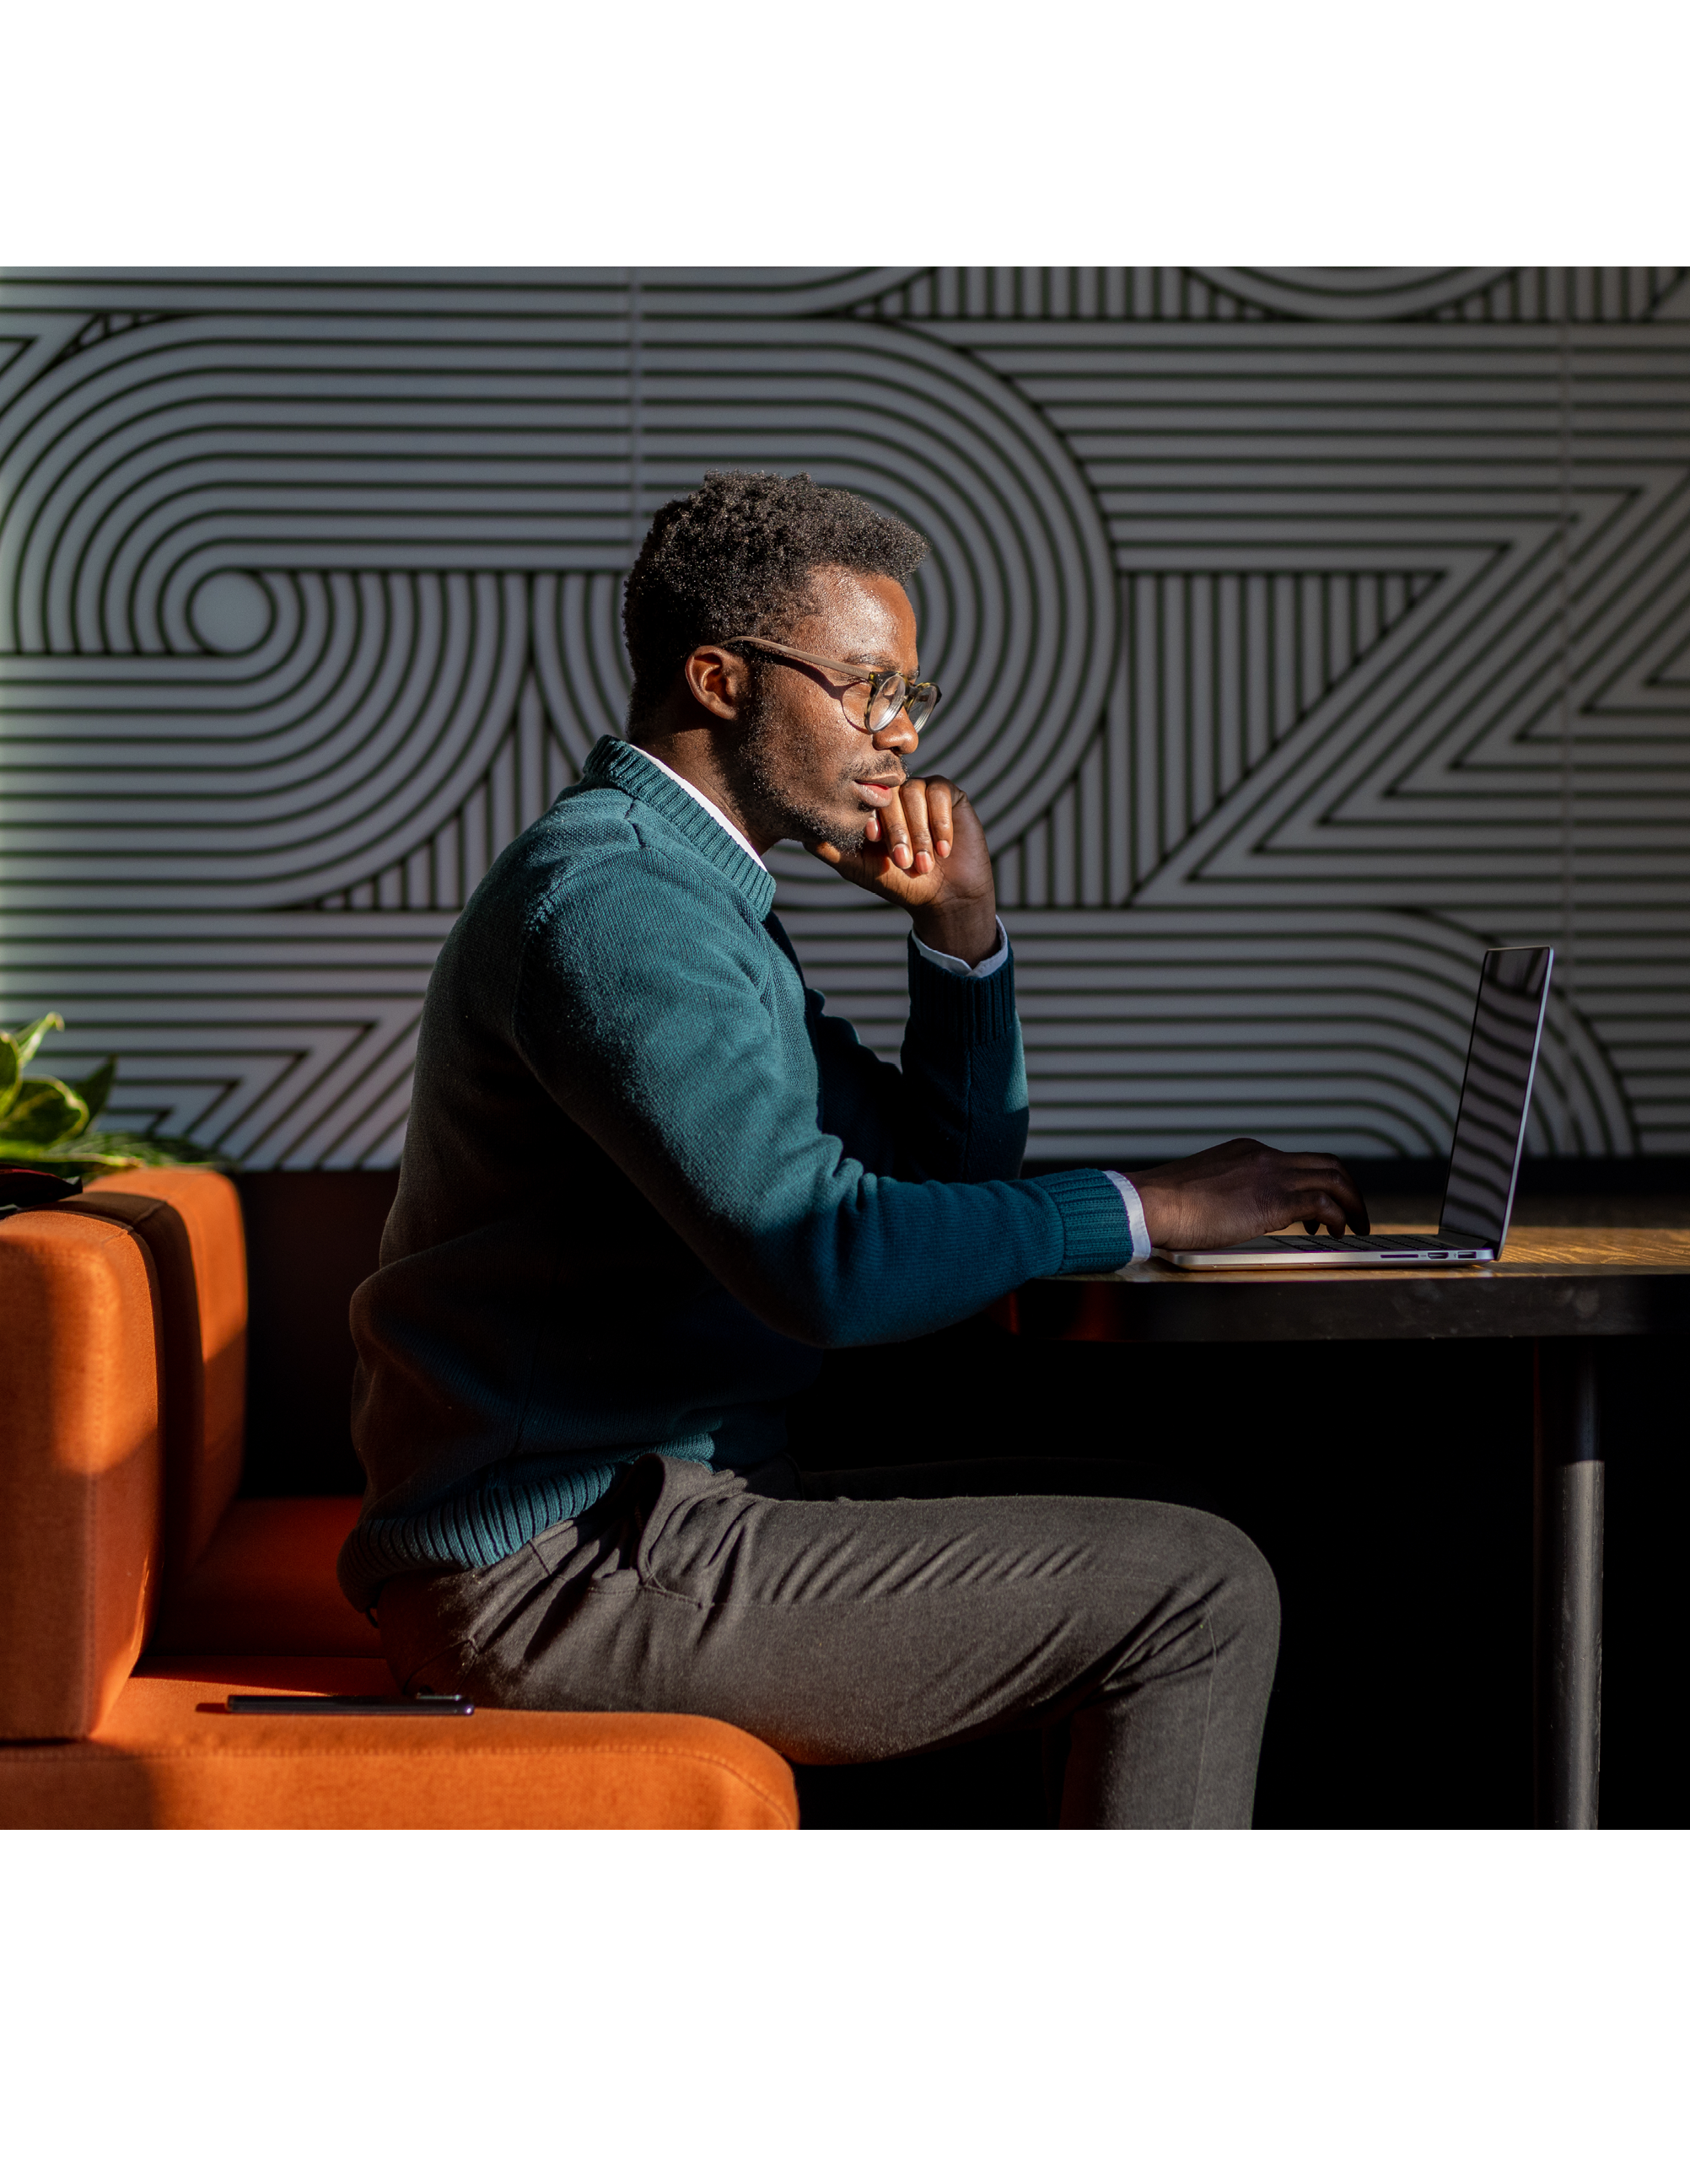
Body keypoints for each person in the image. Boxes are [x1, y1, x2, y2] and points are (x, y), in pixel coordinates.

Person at [341, 471, 1369, 1826]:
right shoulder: (613, 907)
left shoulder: (697, 897)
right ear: (720, 677)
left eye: (911, 699)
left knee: (1154, 1505)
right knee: (1196, 1587)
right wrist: (1157, 1204)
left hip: (662, 1516)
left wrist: (960, 938)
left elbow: (944, 1184)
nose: (898, 738)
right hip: (553, 1573)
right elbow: (825, 1259)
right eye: (869, 689)